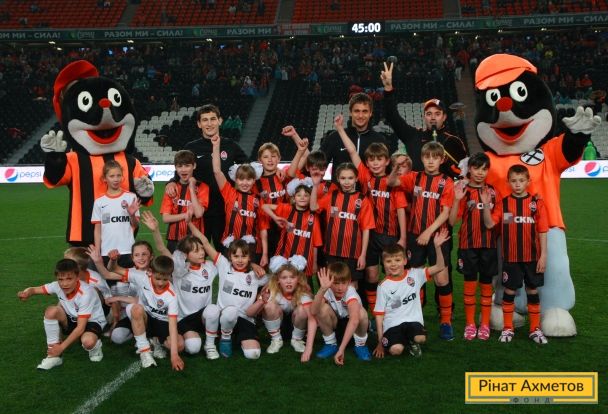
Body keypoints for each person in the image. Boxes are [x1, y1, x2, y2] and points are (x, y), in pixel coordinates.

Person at [334, 113, 407, 312]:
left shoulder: (393, 183)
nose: (375, 163)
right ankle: (375, 314)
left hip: (390, 235)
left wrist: (402, 238)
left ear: (386, 161)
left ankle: (396, 311)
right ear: (367, 162)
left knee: (393, 274)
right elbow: (352, 151)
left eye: (379, 159)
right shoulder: (365, 177)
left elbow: (401, 211)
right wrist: (340, 129)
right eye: (371, 160)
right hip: (370, 235)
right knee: (372, 275)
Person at [388, 142, 455, 340]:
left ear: (442, 159)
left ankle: (446, 322)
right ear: (422, 158)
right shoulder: (415, 177)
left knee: (441, 279)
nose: (431, 161)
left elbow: (445, 213)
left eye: (435, 157)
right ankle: (417, 319)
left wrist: (428, 232)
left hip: (437, 236)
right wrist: (395, 167)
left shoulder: (447, 182)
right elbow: (392, 182)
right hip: (414, 235)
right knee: (415, 278)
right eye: (427, 157)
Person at [482, 165, 549, 344]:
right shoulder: (503, 204)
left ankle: (534, 329)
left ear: (528, 181)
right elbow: (489, 224)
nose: (517, 184)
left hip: (532, 257)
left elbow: (543, 231)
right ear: (508, 182)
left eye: (521, 180)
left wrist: (543, 256)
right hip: (511, 258)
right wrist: (486, 206)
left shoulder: (536, 203)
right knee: (509, 290)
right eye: (513, 181)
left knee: (532, 290)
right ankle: (507, 328)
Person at [166, 104, 248, 249]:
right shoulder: (191, 147)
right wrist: (172, 181)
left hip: (223, 211)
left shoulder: (230, 145)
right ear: (199, 124)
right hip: (198, 211)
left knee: (225, 253)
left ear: (220, 121)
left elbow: (248, 168)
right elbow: (181, 170)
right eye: (205, 120)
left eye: (213, 119)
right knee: (195, 252)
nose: (209, 124)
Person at [141, 211, 221, 360]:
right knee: (193, 348)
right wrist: (155, 230)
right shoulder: (178, 269)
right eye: (196, 251)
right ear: (185, 255)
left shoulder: (210, 267)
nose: (201, 253)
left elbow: (229, 266)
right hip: (183, 319)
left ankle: (210, 345)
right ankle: (163, 339)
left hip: (202, 317)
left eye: (201, 249)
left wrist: (254, 266)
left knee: (213, 309)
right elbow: (162, 249)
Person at [380, 61, 468, 178]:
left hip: (443, 189)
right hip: (415, 188)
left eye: (437, 114)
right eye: (429, 114)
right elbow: (392, 116)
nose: (433, 117)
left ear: (444, 117)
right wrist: (388, 89)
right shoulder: (413, 136)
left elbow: (463, 173)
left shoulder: (453, 141)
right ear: (424, 117)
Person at [17, 259, 106, 370]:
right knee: (51, 311)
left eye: (69, 279)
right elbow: (34, 290)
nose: (64, 284)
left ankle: (95, 347)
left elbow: (80, 328)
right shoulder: (56, 286)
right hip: (72, 318)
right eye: (60, 279)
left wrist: (61, 347)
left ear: (77, 277)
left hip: (92, 321)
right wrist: (26, 293)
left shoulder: (86, 293)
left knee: (88, 342)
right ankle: (54, 357)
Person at [373, 232, 450, 359]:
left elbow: (440, 266)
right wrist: (380, 342)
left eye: (397, 260)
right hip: (393, 324)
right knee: (395, 350)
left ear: (405, 261)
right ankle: (402, 340)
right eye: (388, 261)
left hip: (413, 321)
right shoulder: (383, 286)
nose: (393, 264)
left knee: (420, 338)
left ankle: (412, 341)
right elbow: (379, 315)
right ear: (384, 263)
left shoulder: (415, 275)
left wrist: (437, 247)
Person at [448, 152, 498, 341]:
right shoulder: (463, 190)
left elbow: (497, 220)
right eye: (476, 168)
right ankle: (470, 324)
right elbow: (452, 221)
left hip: (489, 245)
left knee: (486, 285)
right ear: (469, 168)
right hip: (468, 245)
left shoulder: (493, 192)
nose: (480, 172)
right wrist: (456, 199)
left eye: (484, 169)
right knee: (469, 285)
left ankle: (484, 324)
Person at [104, 254, 185, 370]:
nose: (161, 283)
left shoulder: (172, 295)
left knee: (180, 346)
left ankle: (155, 340)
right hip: (145, 317)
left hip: (162, 322)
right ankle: (145, 351)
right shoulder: (142, 277)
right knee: (136, 309)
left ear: (170, 275)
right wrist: (113, 260)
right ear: (150, 272)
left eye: (165, 279)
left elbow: (172, 325)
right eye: (158, 278)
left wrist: (174, 356)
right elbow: (113, 269)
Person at [197, 235, 268, 360]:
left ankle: (238, 337)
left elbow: (274, 281)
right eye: (236, 256)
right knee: (227, 311)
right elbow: (206, 243)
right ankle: (224, 339)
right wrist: (190, 224)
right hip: (223, 318)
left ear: (249, 257)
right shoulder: (224, 266)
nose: (240, 260)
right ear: (230, 256)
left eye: (244, 256)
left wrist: (262, 294)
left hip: (245, 320)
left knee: (253, 354)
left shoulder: (255, 274)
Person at [310, 162, 375, 289]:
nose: (346, 182)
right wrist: (315, 185)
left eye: (350, 178)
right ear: (338, 179)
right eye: (343, 178)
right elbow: (313, 207)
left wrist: (362, 255)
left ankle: (351, 302)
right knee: (331, 283)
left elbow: (366, 229)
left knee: (352, 285)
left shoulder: (362, 200)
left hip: (353, 252)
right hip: (331, 250)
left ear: (356, 178)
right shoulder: (331, 196)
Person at [211, 135, 269, 265]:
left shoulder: (258, 200)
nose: (245, 183)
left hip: (251, 248)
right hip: (230, 246)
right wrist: (216, 146)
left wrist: (265, 254)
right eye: (241, 179)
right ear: (235, 180)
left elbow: (263, 229)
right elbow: (217, 172)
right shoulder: (229, 193)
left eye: (249, 179)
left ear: (254, 180)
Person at [249, 262, 317, 362]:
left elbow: (312, 319)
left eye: (292, 277)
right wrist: (261, 301)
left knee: (303, 309)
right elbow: (251, 314)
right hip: (277, 326)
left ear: (298, 279)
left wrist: (309, 348)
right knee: (269, 306)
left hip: (297, 327)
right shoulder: (271, 290)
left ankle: (297, 340)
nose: (288, 281)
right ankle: (276, 340)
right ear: (278, 280)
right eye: (284, 278)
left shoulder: (303, 292)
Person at [319, 92, 396, 181]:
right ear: (350, 112)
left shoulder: (380, 140)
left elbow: (389, 171)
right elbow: (317, 165)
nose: (360, 116)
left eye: (365, 111)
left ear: (370, 113)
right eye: (357, 111)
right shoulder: (335, 137)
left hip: (369, 189)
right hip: (339, 189)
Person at [262, 175, 323, 285]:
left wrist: (314, 262)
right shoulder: (287, 209)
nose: (302, 198)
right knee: (279, 286)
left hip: (305, 259)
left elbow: (316, 243)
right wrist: (275, 218)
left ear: (311, 198)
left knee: (304, 288)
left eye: (306, 195)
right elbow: (265, 206)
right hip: (284, 256)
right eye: (299, 195)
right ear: (294, 198)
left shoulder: (313, 216)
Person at [311, 263, 371, 365]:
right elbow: (313, 311)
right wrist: (322, 289)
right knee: (322, 309)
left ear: (349, 281)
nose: (340, 288)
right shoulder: (328, 290)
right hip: (338, 326)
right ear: (330, 282)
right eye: (336, 283)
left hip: (354, 329)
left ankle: (360, 345)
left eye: (343, 283)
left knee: (361, 313)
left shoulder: (350, 292)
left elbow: (354, 320)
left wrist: (341, 349)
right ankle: (331, 344)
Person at [91, 160, 140, 268]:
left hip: (127, 250)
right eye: (112, 176)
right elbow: (98, 229)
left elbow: (135, 225)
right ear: (104, 178)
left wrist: (132, 215)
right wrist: (98, 250)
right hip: (106, 251)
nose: (116, 179)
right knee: (109, 278)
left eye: (118, 175)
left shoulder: (131, 197)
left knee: (127, 278)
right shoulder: (99, 202)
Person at [160, 150, 209, 252]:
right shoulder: (171, 188)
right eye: (179, 166)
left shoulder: (203, 187)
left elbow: (199, 213)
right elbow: (165, 218)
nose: (183, 170)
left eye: (187, 166)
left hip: (195, 238)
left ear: (194, 166)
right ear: (175, 167)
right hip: (174, 239)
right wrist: (186, 215)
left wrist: (191, 189)